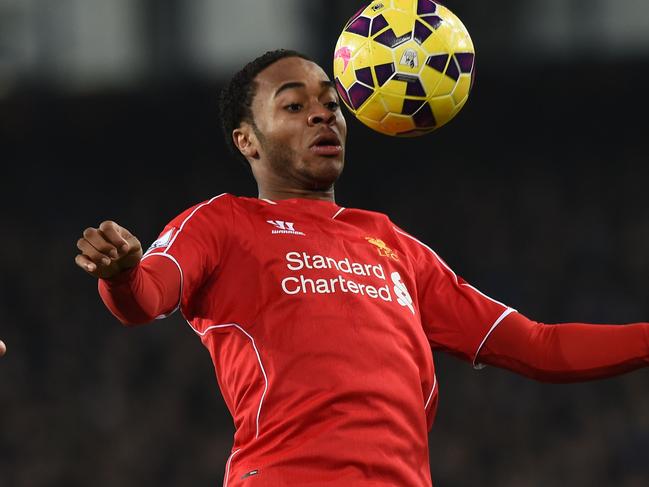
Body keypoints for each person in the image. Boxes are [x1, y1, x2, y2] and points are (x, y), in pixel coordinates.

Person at [75, 49, 649, 487]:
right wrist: (121, 273)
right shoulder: (223, 223)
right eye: (294, 106)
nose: (322, 115)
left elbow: (538, 347)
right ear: (246, 141)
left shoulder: (394, 244)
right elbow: (145, 300)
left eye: (330, 102)